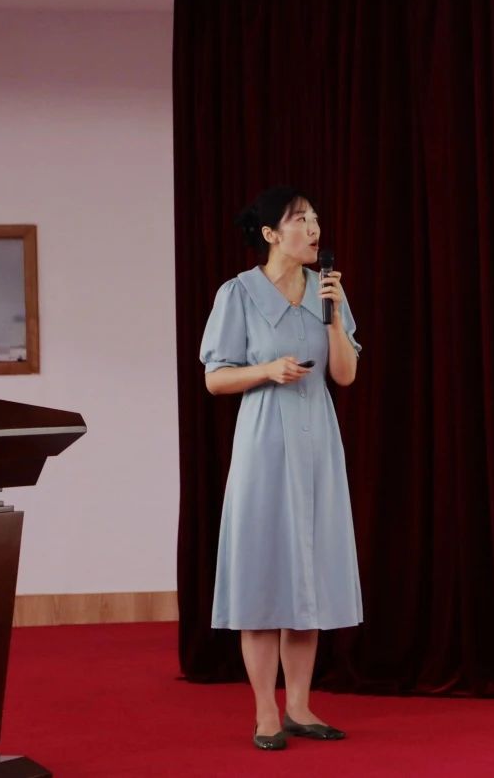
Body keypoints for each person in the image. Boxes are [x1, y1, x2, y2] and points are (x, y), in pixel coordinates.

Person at [199, 186, 363, 750]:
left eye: (315, 218)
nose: (313, 228)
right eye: (300, 219)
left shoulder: (327, 290)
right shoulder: (237, 294)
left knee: (307, 573)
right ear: (271, 234)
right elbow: (215, 378)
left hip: (318, 445)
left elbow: (344, 375)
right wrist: (266, 369)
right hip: (264, 443)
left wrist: (335, 318)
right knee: (263, 571)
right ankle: (265, 712)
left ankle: (299, 705)